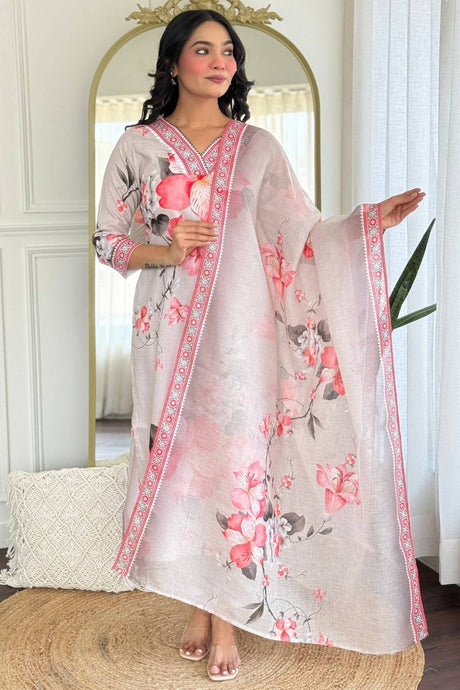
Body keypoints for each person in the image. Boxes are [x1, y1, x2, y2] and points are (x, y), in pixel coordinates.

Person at [93, 8, 428, 682]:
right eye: (203, 49)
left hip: (244, 339)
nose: (221, 62)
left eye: (229, 52)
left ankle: (225, 619)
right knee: (183, 469)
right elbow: (107, 241)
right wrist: (166, 249)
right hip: (168, 335)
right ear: (174, 62)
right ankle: (199, 603)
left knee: (237, 465)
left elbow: (301, 235)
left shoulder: (258, 147)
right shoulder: (138, 146)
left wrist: (367, 224)